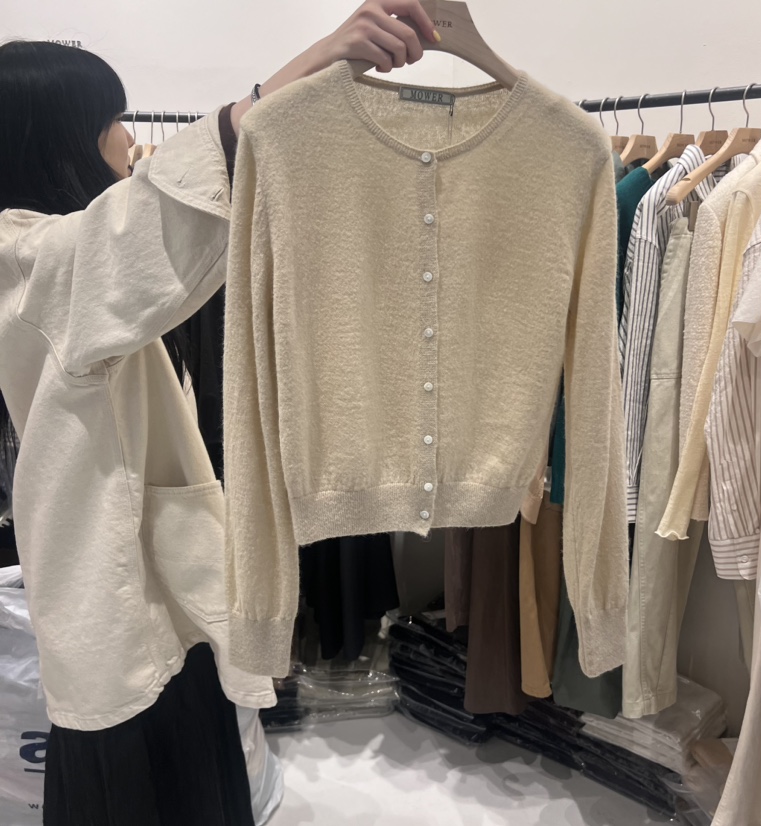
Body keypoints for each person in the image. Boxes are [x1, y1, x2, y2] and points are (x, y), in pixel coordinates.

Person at [0, 2, 438, 824]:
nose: (128, 139)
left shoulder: (45, 253)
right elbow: (150, 224)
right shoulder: (25, 261)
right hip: (119, 602)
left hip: (150, 592)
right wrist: (318, 62)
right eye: (110, 121)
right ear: (53, 139)